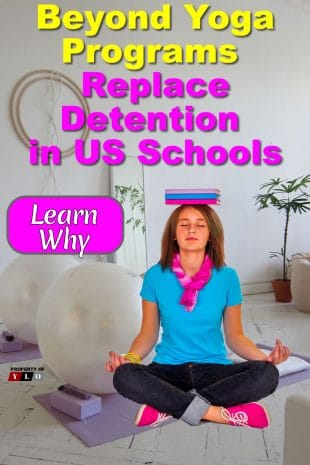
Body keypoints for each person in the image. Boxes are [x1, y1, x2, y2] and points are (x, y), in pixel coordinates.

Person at [105, 204, 290, 429]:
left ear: (211, 234)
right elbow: (148, 333)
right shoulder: (155, 276)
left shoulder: (227, 277)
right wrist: (130, 359)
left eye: (200, 225)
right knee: (123, 376)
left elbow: (235, 336)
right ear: (174, 234)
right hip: (167, 369)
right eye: (184, 225)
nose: (191, 230)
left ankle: (169, 406)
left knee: (267, 374)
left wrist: (264, 359)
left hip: (214, 370)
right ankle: (215, 413)